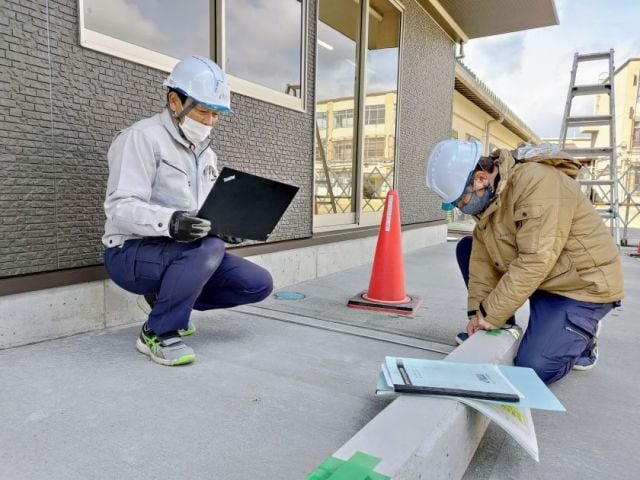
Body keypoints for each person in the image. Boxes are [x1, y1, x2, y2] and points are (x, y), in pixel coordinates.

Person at [102, 55, 273, 366]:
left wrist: (225, 226)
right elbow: (119, 208)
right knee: (209, 246)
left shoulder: (206, 154)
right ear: (174, 101)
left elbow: (204, 212)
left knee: (257, 283)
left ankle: (165, 303)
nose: (209, 122)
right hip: (130, 252)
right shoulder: (141, 138)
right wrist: (170, 222)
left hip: (185, 252)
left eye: (215, 115)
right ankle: (157, 331)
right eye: (204, 111)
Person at [425, 140, 624, 384]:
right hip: (547, 278)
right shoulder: (492, 194)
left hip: (580, 286)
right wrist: (479, 315)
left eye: (461, 201)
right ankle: (499, 328)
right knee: (468, 247)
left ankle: (584, 336)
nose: (460, 208)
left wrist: (491, 312)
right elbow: (481, 259)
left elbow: (535, 260)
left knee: (532, 369)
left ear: (480, 179)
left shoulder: (539, 183)